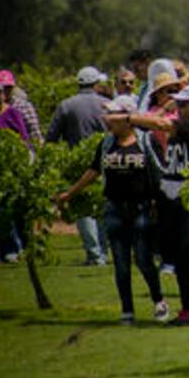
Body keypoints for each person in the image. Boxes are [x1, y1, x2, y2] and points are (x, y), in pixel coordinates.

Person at [55, 95, 169, 326]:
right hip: (114, 209)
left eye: (113, 115)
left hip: (141, 208)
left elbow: (160, 173)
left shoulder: (145, 142)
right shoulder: (107, 143)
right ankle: (127, 310)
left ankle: (158, 300)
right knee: (120, 263)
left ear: (128, 118)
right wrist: (70, 193)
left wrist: (160, 203)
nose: (108, 119)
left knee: (144, 260)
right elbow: (94, 170)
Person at [128, 84, 189, 326]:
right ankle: (186, 308)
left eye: (185, 104)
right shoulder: (181, 125)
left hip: (188, 196)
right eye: (178, 104)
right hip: (171, 196)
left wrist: (128, 118)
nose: (179, 108)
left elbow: (159, 123)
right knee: (176, 256)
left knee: (188, 255)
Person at [46, 66, 111, 266]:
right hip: (104, 159)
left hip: (76, 162)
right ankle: (103, 250)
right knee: (102, 204)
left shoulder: (66, 105)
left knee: (82, 207)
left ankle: (94, 254)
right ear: (96, 83)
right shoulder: (106, 105)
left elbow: (52, 137)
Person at [0, 79, 30, 263]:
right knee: (1, 210)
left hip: (14, 165)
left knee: (13, 209)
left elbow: (23, 137)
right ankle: (5, 249)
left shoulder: (12, 113)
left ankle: (17, 248)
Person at [0, 70, 43, 143]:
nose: (5, 90)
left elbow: (34, 130)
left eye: (8, 87)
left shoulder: (23, 106)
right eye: (2, 88)